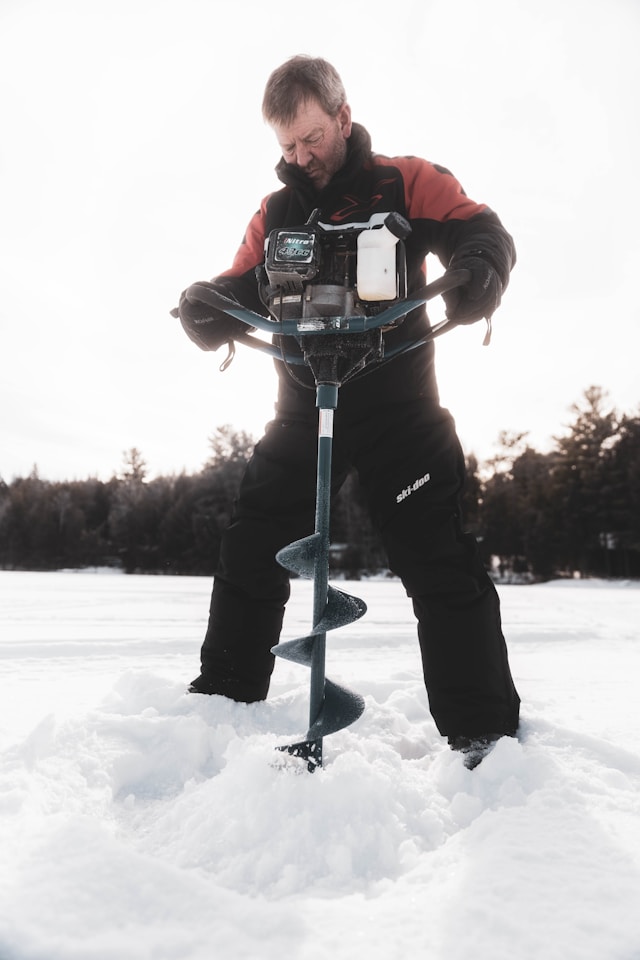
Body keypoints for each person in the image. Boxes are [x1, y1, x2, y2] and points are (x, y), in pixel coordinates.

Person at [175, 55, 520, 768]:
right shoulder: (275, 213)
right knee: (252, 547)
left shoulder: (406, 180)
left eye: (311, 140)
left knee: (440, 561)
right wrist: (203, 304)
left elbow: (479, 229)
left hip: (400, 406)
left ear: (342, 117)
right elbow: (235, 281)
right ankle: (223, 703)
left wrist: (480, 267)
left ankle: (484, 736)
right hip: (303, 406)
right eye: (286, 148)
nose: (301, 158)